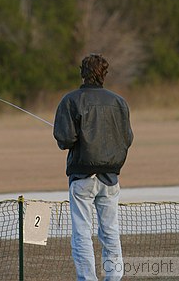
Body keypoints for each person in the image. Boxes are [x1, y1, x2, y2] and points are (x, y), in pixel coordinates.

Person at [53, 53, 133, 281]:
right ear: (104, 74)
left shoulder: (71, 100)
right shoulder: (119, 102)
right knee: (110, 233)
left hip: (82, 178)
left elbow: (64, 140)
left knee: (81, 235)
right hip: (110, 179)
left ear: (83, 73)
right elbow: (127, 138)